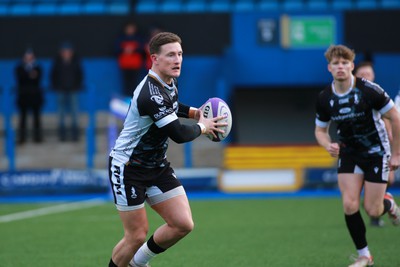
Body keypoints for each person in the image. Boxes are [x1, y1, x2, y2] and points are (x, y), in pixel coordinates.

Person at [108, 32, 227, 267]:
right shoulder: (149, 94)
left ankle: (137, 263)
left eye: (180, 54)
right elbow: (179, 134)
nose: (177, 60)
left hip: (156, 166)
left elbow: (172, 104)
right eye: (171, 55)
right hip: (129, 167)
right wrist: (203, 125)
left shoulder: (168, 81)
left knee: (183, 224)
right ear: (155, 58)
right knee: (136, 235)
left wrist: (194, 112)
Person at [315, 44, 400, 267]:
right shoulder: (325, 98)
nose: (340, 67)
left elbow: (396, 118)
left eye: (345, 63)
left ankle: (388, 204)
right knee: (349, 204)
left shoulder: (369, 90)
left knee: (373, 209)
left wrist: (396, 154)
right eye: (336, 63)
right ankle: (365, 255)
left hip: (376, 153)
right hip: (349, 153)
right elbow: (320, 130)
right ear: (329, 68)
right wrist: (327, 145)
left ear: (352, 66)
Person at [354, 61, 396, 227]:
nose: (366, 77)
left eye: (369, 74)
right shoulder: (347, 96)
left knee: (388, 180)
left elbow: (388, 118)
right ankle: (376, 209)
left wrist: (392, 141)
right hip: (356, 150)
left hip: (377, 148)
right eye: (362, 74)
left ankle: (379, 208)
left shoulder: (376, 94)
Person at [50, 42, 83, 142]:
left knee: (74, 112)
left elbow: (80, 75)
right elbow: (53, 76)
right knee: (61, 112)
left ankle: (74, 134)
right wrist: (56, 86)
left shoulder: (76, 62)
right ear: (61, 53)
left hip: (73, 90)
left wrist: (77, 86)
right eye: (64, 51)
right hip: (60, 90)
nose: (67, 54)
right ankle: (62, 134)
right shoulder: (57, 63)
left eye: (68, 51)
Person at [14, 48, 44, 144]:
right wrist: (30, 74)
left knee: (36, 118)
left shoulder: (38, 67)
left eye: (31, 57)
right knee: (23, 118)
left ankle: (37, 137)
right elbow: (21, 78)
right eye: (27, 57)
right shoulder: (19, 67)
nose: (29, 58)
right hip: (23, 96)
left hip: (35, 97)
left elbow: (37, 78)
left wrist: (29, 74)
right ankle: (22, 137)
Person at [115, 21, 146, 97]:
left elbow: (143, 50)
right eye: (128, 28)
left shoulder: (139, 39)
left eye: (132, 28)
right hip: (124, 65)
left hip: (136, 65)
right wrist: (124, 50)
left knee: (135, 84)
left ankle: (135, 101)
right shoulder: (120, 39)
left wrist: (133, 49)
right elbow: (116, 49)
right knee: (126, 84)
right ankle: (126, 101)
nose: (130, 30)